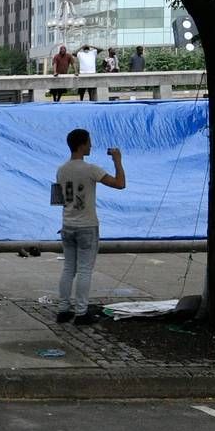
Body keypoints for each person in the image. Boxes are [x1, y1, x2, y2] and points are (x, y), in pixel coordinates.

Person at [52, 129, 125, 326]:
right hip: (87, 226)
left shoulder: (61, 170)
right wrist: (117, 160)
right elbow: (120, 184)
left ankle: (63, 310)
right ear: (82, 144)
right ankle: (81, 312)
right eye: (89, 142)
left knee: (68, 268)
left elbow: (58, 200)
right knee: (85, 270)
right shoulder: (91, 169)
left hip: (67, 225)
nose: (91, 145)